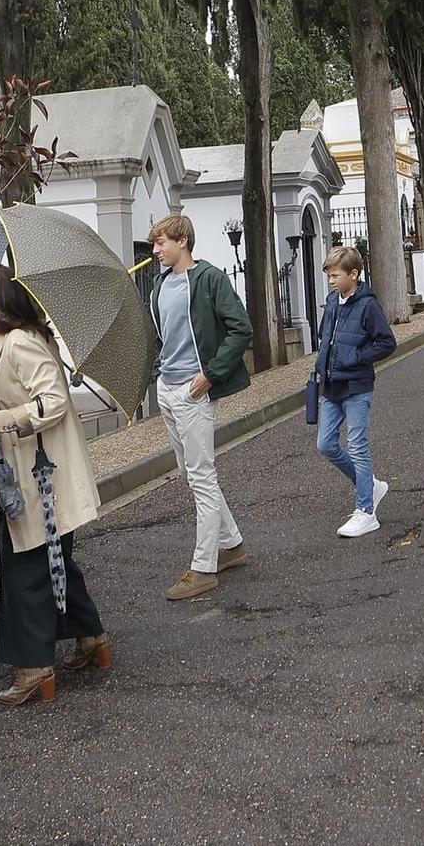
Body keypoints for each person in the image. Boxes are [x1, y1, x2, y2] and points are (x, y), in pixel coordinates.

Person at [0, 263, 110, 708]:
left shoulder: (21, 342)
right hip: (31, 476)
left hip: (40, 480)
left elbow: (54, 401)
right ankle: (91, 639)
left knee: (25, 570)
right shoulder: (4, 341)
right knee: (54, 558)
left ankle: (34, 668)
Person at [149, 214, 254, 601]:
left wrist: (210, 374)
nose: (156, 250)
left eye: (162, 243)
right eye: (155, 244)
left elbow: (241, 328)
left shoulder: (210, 279)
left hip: (194, 391)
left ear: (183, 242)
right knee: (191, 474)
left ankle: (204, 567)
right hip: (168, 388)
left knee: (202, 476)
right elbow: (167, 335)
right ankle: (232, 546)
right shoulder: (159, 284)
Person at [310, 247, 397, 538]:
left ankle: (366, 511)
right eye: (329, 275)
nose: (331, 281)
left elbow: (386, 342)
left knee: (358, 446)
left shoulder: (368, 305)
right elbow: (326, 337)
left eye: (335, 275)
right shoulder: (332, 302)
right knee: (325, 445)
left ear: (353, 274)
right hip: (332, 385)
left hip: (357, 386)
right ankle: (370, 486)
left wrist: (356, 358)